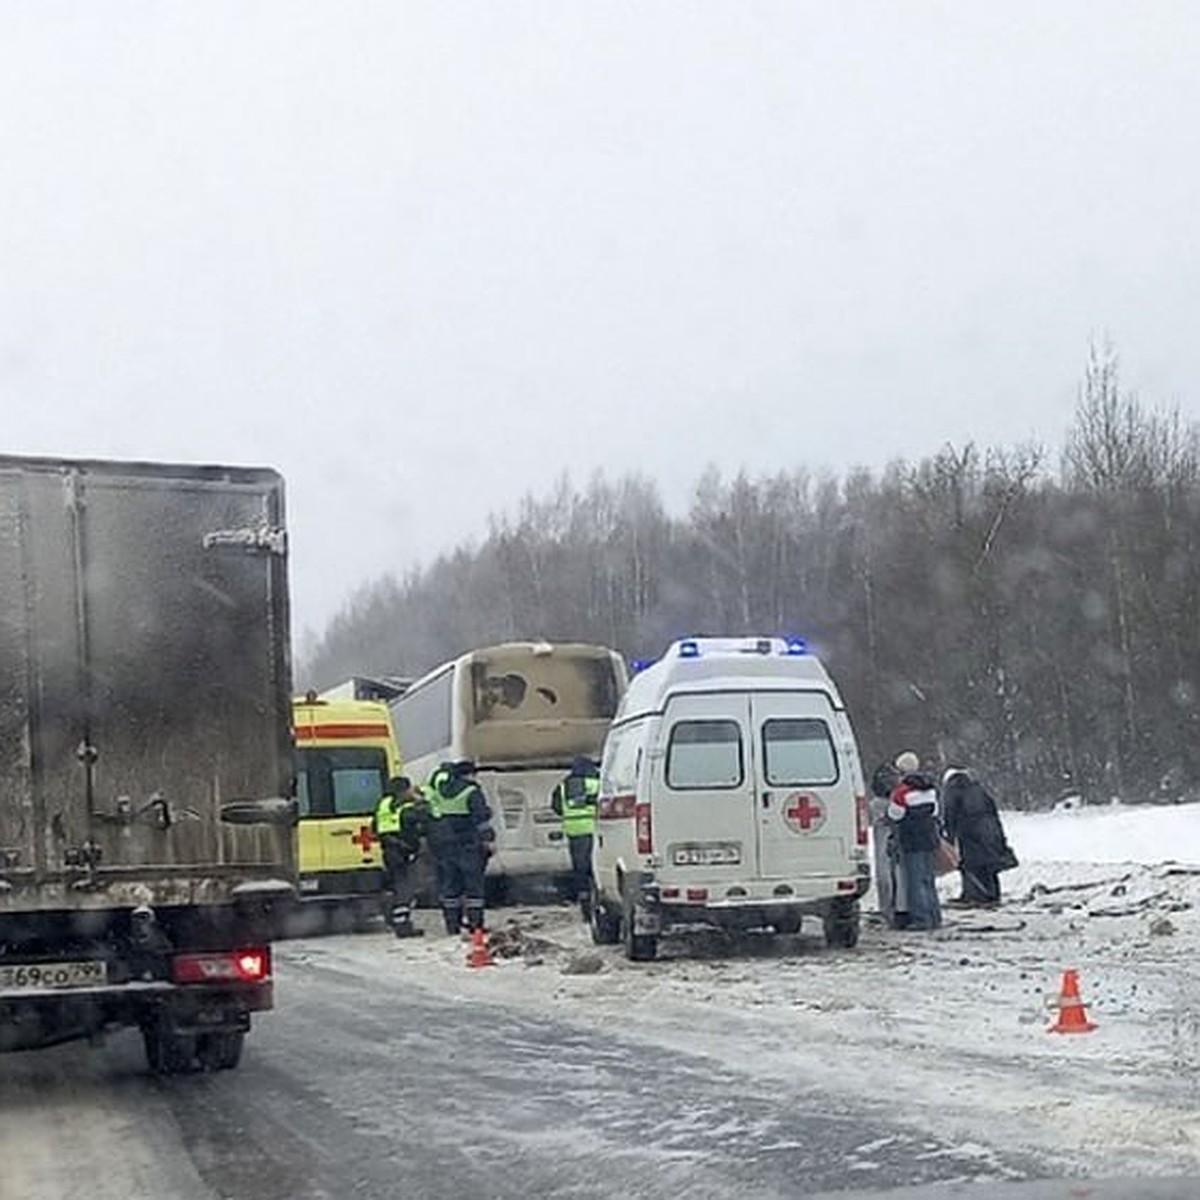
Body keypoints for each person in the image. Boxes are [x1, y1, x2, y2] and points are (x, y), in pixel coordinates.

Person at [426, 759, 495, 935]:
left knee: (451, 886)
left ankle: (452, 925)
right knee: (474, 887)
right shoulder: (472, 791)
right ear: (469, 774)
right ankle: (475, 925)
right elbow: (481, 820)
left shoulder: (440, 791)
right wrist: (489, 840)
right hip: (469, 844)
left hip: (445, 844)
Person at [941, 768, 1017, 907]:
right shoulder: (978, 788)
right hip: (989, 830)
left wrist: (949, 838)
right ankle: (993, 894)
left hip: (969, 832)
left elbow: (949, 815)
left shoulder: (952, 790)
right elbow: (992, 809)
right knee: (989, 864)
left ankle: (974, 895)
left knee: (970, 864)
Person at [887, 753, 942, 931]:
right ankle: (934, 916)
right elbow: (934, 813)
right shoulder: (930, 788)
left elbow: (895, 815)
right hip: (930, 839)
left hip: (912, 841)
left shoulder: (901, 792)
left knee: (915, 881)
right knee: (928, 880)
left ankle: (921, 919)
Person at [372, 775, 429, 938]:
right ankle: (402, 925)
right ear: (404, 790)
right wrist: (420, 799)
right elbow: (427, 816)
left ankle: (393, 918)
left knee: (396, 886)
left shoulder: (383, 805)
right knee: (405, 889)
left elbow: (374, 828)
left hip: (389, 851)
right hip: (405, 852)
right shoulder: (408, 808)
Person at [551, 756, 600, 918]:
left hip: (574, 833)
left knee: (580, 871)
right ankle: (599, 904)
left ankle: (585, 908)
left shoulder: (563, 786)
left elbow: (556, 807)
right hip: (596, 831)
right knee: (597, 869)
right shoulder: (596, 783)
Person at [868, 758, 906, 929]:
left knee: (884, 872)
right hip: (898, 835)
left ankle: (887, 909)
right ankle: (900, 909)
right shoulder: (901, 797)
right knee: (898, 872)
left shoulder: (875, 804)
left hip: (883, 836)